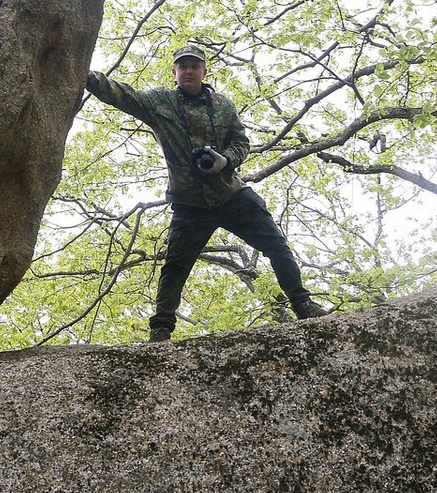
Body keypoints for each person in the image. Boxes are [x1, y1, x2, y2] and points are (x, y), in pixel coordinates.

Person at [85, 43, 329, 342]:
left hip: (231, 195)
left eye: (195, 66)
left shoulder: (224, 105)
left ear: (204, 70)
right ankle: (160, 330)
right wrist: (81, 74)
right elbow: (120, 93)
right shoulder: (159, 102)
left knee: (276, 244)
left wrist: (224, 160)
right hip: (189, 204)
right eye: (183, 66)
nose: (189, 71)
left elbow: (241, 142)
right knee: (175, 266)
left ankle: (302, 303)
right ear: (174, 71)